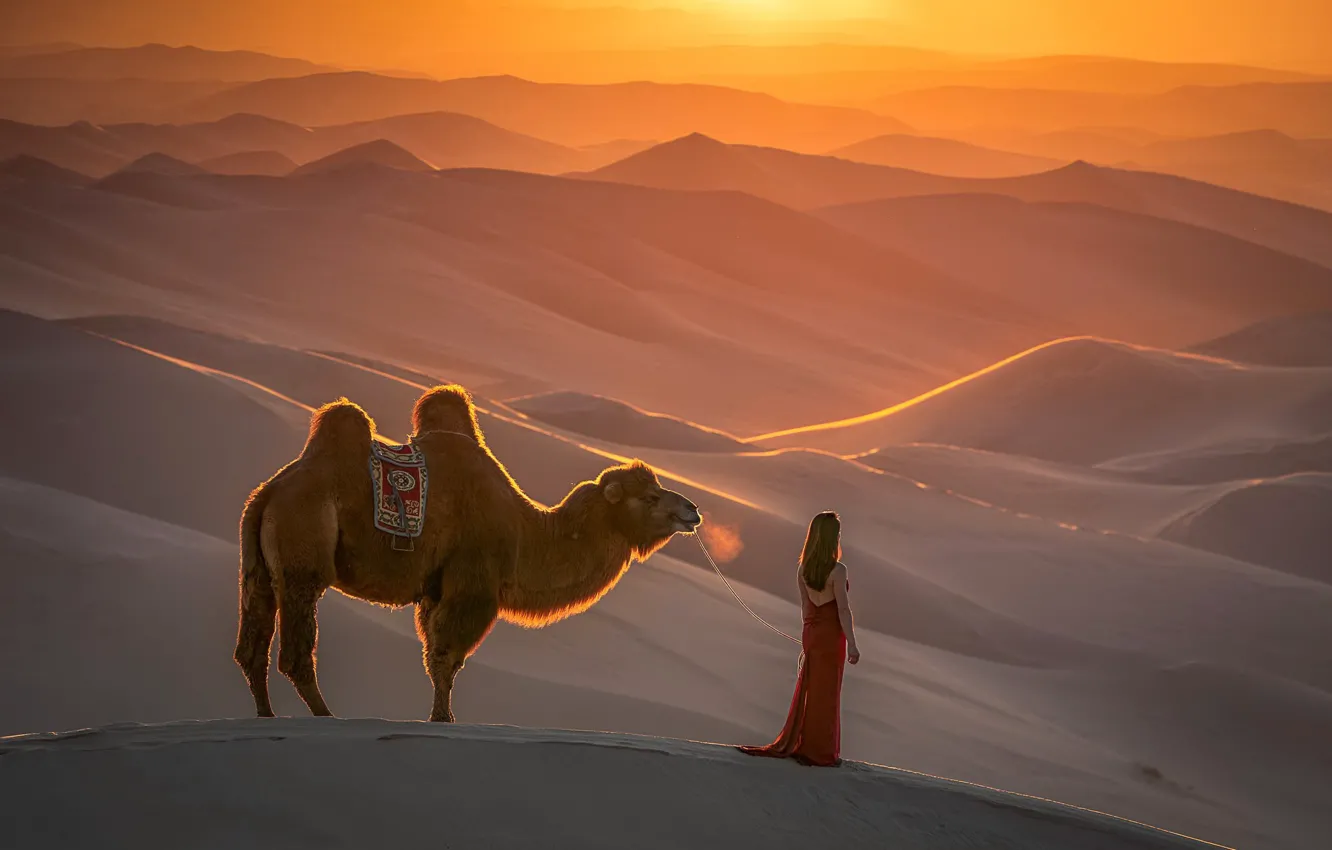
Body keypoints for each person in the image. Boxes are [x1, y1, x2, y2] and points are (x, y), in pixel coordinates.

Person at [738, 511, 859, 767]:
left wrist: (809, 638)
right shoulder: (838, 570)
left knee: (811, 690)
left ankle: (807, 746)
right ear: (832, 537)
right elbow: (843, 611)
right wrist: (853, 644)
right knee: (827, 694)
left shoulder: (803, 569)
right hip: (831, 637)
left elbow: (806, 609)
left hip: (812, 633)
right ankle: (821, 752)